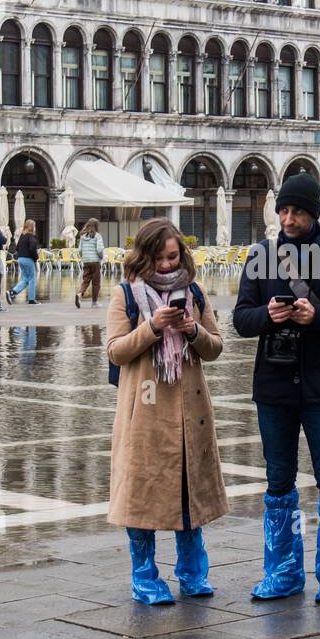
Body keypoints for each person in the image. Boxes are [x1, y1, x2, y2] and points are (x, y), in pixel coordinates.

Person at [233, 173, 320, 603]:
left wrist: (319, 316)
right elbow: (241, 318)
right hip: (274, 387)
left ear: (314, 211)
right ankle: (283, 572)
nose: (287, 218)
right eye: (283, 210)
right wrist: (268, 317)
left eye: (295, 210)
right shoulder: (261, 254)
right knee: (278, 479)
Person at [106, 218, 227, 604]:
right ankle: (145, 576)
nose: (165, 265)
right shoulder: (124, 294)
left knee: (188, 490)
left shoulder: (195, 292)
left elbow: (215, 348)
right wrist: (152, 328)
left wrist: (192, 330)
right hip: (145, 413)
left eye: (172, 256)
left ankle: (193, 573)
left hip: (190, 414)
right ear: (144, 257)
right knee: (142, 495)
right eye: (158, 258)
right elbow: (115, 351)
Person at [75, 218, 106, 309]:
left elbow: (79, 251)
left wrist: (84, 257)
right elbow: (99, 250)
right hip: (95, 262)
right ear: (96, 226)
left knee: (86, 280)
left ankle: (80, 294)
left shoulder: (83, 236)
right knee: (96, 283)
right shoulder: (97, 236)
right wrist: (101, 257)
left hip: (86, 262)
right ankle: (94, 303)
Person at [8, 219, 40, 304]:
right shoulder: (31, 237)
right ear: (32, 227)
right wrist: (36, 257)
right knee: (32, 279)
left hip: (20, 258)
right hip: (28, 259)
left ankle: (12, 292)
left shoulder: (22, 236)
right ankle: (31, 299)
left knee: (26, 278)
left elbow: (17, 248)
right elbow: (32, 248)